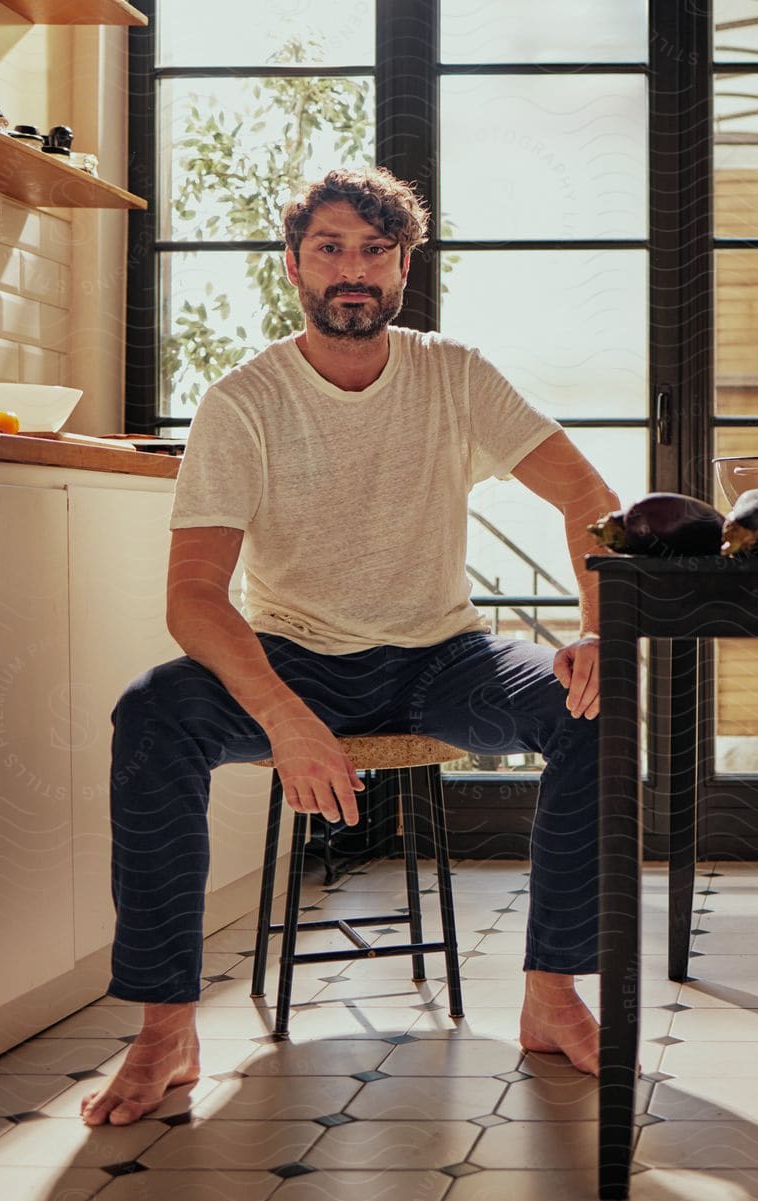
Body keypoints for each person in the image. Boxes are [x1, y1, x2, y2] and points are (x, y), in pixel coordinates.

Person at [80, 167, 620, 1127]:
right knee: (151, 711)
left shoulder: (454, 373)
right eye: (330, 247)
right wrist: (284, 717)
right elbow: (194, 597)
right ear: (293, 265)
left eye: (376, 250)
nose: (353, 269)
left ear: (404, 265)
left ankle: (551, 993)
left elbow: (592, 501)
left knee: (589, 705)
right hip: (295, 660)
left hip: (442, 658)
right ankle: (166, 1026)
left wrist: (594, 630)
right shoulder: (243, 400)